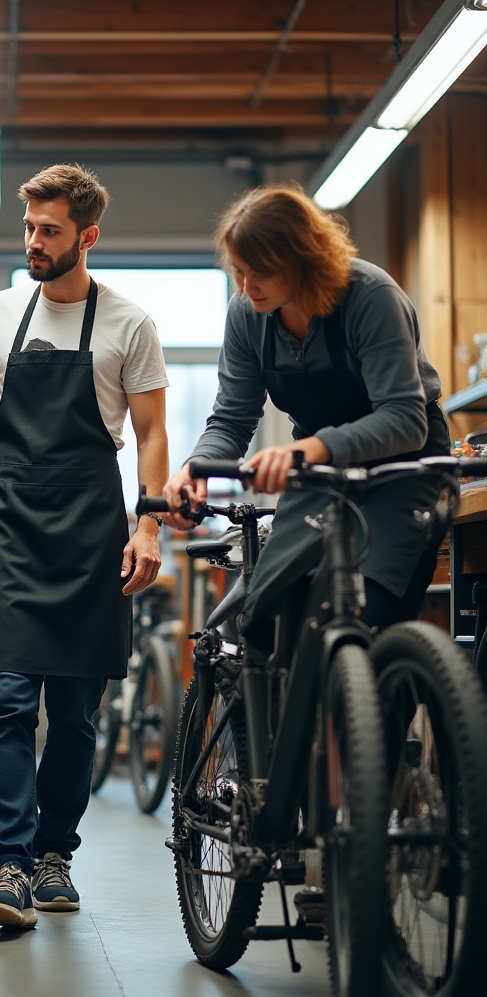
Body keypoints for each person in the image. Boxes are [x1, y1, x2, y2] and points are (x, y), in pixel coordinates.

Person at [0, 164, 170, 928]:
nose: (34, 240)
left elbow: (155, 432)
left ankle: (54, 855)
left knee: (74, 715)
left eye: (50, 230)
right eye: (28, 227)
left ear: (87, 237)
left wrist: (150, 523)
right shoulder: (1, 313)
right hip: (9, 524)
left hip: (91, 529)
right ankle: (7, 865)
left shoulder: (129, 323)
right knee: (5, 703)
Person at [163, 183, 449, 674]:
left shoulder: (370, 297)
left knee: (367, 618)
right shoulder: (248, 317)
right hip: (317, 473)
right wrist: (197, 467)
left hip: (402, 469)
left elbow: (405, 419)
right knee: (268, 616)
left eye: (262, 272)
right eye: (238, 271)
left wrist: (312, 449)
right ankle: (281, 746)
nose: (246, 287)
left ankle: (369, 744)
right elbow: (232, 417)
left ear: (305, 259)